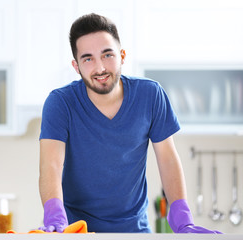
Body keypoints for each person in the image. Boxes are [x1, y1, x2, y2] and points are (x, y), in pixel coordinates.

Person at [38, 13, 221, 233]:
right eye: (88, 59)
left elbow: (168, 160)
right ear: (76, 66)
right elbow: (51, 165)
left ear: (122, 55)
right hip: (77, 231)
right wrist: (55, 217)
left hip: (135, 231)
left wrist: (183, 221)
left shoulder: (151, 95)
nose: (100, 68)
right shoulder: (60, 103)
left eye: (107, 55)